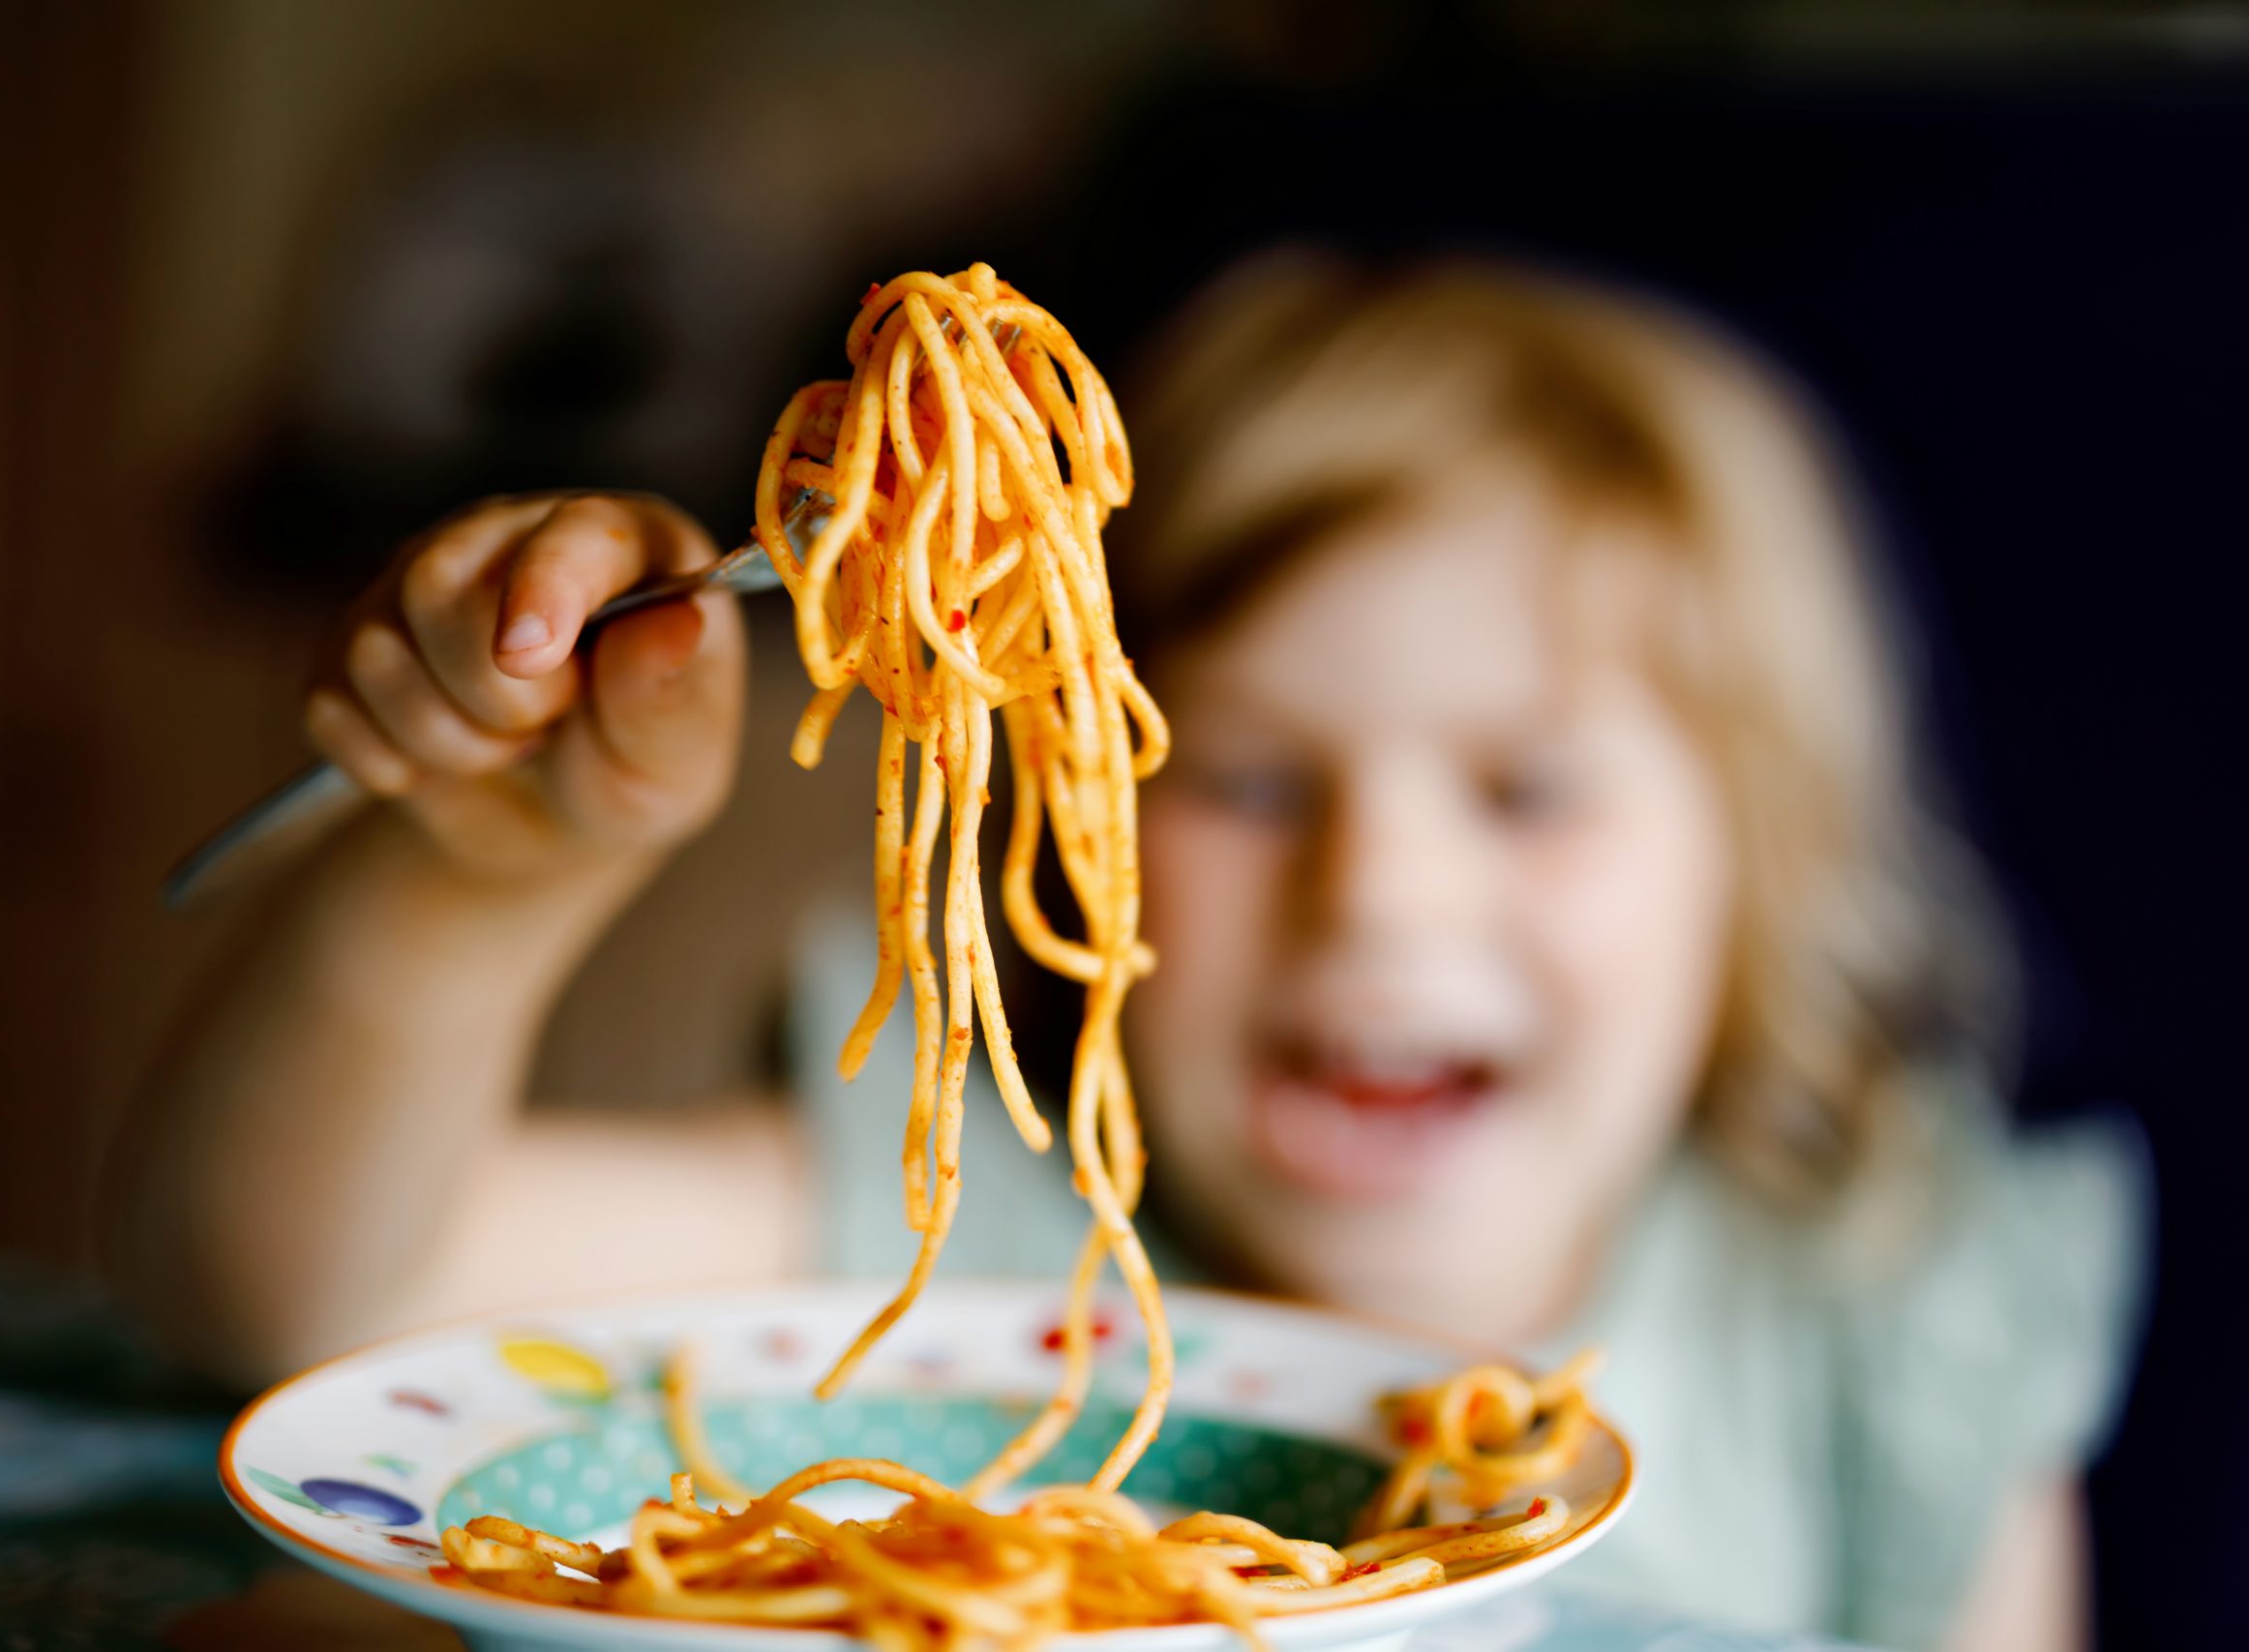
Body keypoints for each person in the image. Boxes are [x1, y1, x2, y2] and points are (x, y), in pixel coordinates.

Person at [104, 254, 2143, 1650]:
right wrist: (478, 876)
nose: (1383, 894)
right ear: (1070, 798)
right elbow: (283, 1289)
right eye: (1245, 777)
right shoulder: (960, 1235)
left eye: (1528, 789)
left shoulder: (1883, 1319)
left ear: (1755, 870)